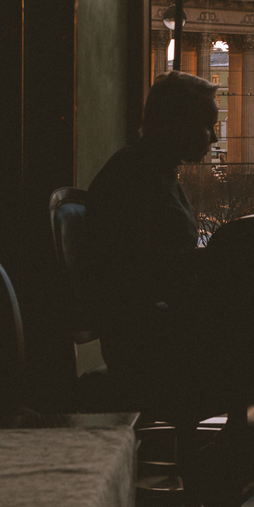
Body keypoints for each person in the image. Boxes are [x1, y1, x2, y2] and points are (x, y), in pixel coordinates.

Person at [83, 70, 221, 410]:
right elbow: (140, 274)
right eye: (209, 125)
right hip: (150, 349)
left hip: (148, 338)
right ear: (180, 125)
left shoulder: (144, 170)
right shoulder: (138, 178)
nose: (214, 138)